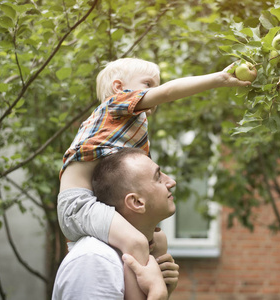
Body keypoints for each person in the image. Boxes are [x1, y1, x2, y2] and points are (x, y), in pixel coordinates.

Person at [57, 57, 251, 298]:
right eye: (148, 84)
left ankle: (155, 285)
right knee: (137, 243)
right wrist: (219, 78)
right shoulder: (116, 105)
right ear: (119, 87)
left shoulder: (131, 127)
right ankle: (144, 293)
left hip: (97, 203)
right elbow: (169, 92)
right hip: (78, 205)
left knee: (158, 241)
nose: (154, 92)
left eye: (155, 85)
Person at [53, 148, 180, 300]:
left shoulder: (145, 254)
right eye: (158, 177)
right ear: (137, 202)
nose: (171, 182)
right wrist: (157, 293)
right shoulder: (95, 261)